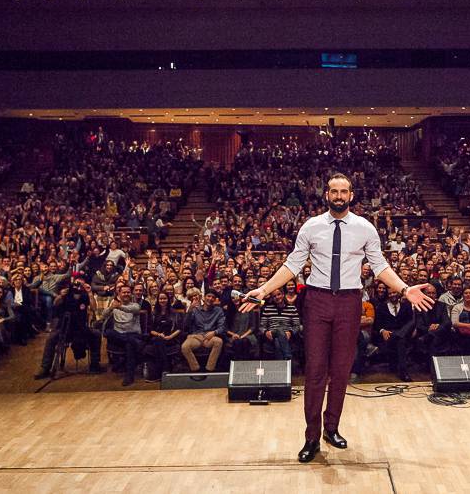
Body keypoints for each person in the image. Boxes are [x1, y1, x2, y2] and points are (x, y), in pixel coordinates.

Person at [240, 173, 434, 464]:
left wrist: (405, 289)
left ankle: (332, 428)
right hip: (317, 301)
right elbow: (292, 264)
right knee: (316, 371)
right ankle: (311, 437)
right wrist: (264, 289)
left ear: (351, 195)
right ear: (326, 194)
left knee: (341, 372)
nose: (339, 196)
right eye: (334, 191)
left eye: (344, 191)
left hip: (349, 301)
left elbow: (380, 266)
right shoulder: (311, 226)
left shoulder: (365, 228)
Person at [35, 278, 103, 379]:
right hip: (64, 328)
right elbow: (55, 303)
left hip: (81, 329)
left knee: (96, 334)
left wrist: (89, 293)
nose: (77, 287)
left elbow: (93, 308)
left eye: (80, 285)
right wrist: (61, 295)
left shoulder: (85, 296)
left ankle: (95, 364)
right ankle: (45, 368)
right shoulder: (66, 295)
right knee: (51, 339)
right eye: (75, 284)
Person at [103, 284, 148, 386]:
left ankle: (129, 376)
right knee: (109, 332)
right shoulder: (113, 305)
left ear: (131, 293)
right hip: (119, 336)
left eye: (128, 292)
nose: (126, 294)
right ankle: (136, 344)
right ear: (119, 293)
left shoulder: (135, 305)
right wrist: (111, 308)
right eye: (124, 292)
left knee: (129, 345)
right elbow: (103, 316)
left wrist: (119, 306)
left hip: (133, 335)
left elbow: (132, 310)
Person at [373, 285, 416, 381]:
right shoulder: (381, 307)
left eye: (394, 292)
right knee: (400, 340)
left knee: (401, 339)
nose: (392, 295)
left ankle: (402, 371)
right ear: (387, 295)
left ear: (398, 293)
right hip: (388, 335)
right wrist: (382, 331)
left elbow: (410, 322)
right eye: (390, 293)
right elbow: (377, 324)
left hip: (404, 334)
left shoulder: (406, 306)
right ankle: (403, 372)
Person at [181, 290, 227, 372]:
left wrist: (214, 332)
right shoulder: (195, 310)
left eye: (213, 297)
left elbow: (222, 327)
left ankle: (209, 369)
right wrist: (190, 309)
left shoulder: (218, 310)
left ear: (215, 299)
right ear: (204, 297)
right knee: (185, 347)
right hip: (196, 336)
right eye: (208, 296)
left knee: (219, 341)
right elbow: (185, 325)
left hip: (210, 337)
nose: (210, 298)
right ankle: (195, 369)